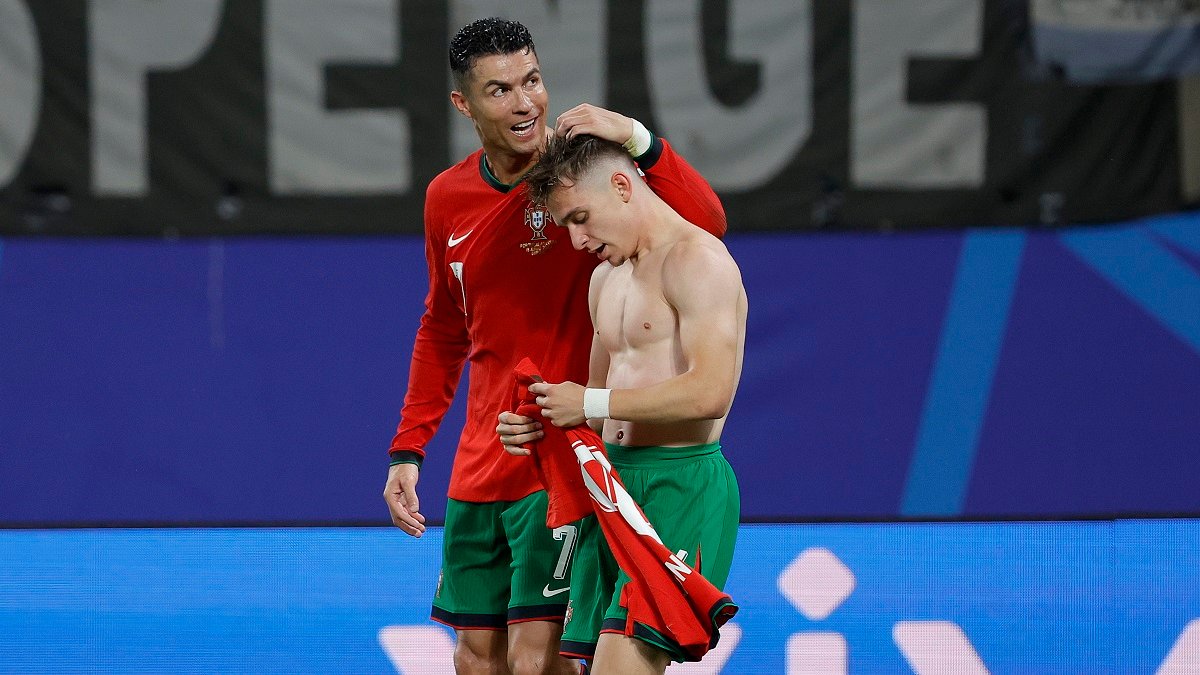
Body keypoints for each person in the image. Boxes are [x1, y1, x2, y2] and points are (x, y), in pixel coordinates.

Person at [381, 17, 726, 675]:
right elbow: (445, 327)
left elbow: (703, 223)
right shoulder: (446, 198)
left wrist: (638, 139)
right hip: (483, 454)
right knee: (475, 656)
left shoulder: (582, 177)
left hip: (562, 453)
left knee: (540, 656)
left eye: (532, 81)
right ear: (464, 104)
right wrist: (409, 447)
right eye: (500, 90)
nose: (525, 103)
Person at [498, 134, 746, 675]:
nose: (577, 239)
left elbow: (711, 392)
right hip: (612, 488)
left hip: (680, 485)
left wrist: (589, 400)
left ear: (621, 185)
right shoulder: (604, 279)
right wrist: (540, 421)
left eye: (581, 218)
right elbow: (595, 405)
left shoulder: (699, 261)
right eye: (566, 225)